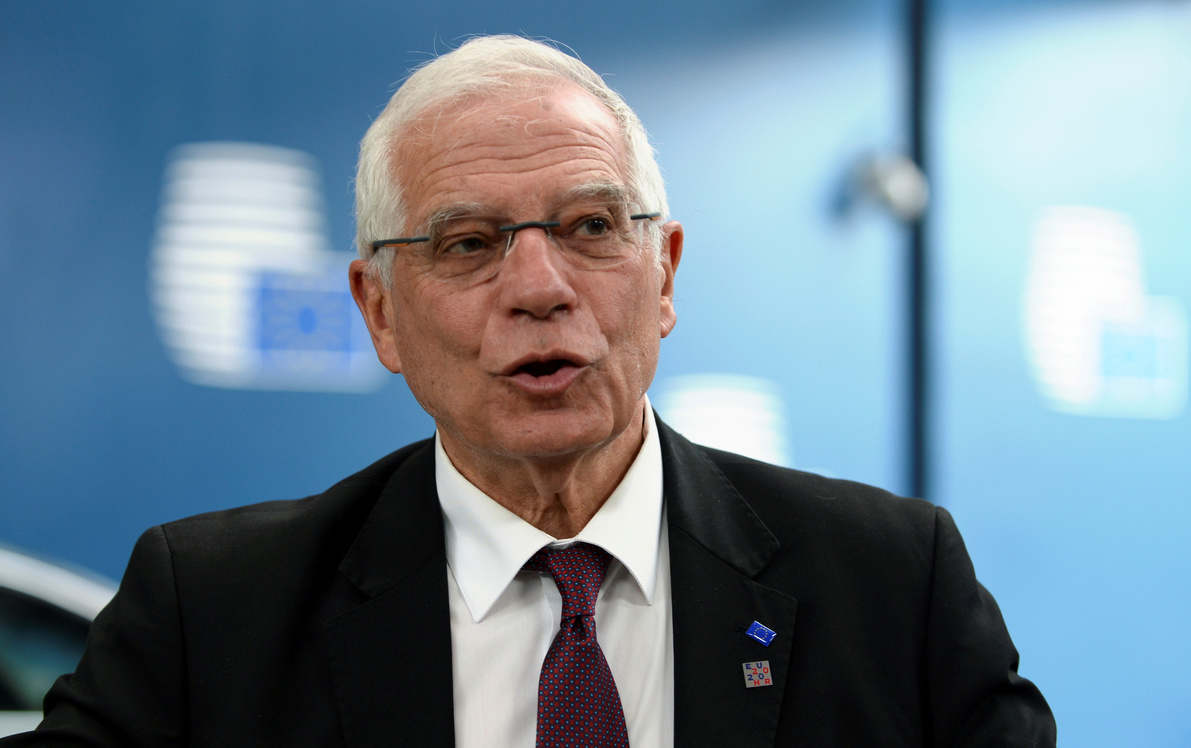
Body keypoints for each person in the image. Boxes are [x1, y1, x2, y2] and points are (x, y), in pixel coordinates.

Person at [3, 35, 1055, 747]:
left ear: (665, 276)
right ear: (379, 311)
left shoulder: (892, 585)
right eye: (468, 243)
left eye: (592, 227)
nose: (541, 288)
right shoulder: (212, 614)